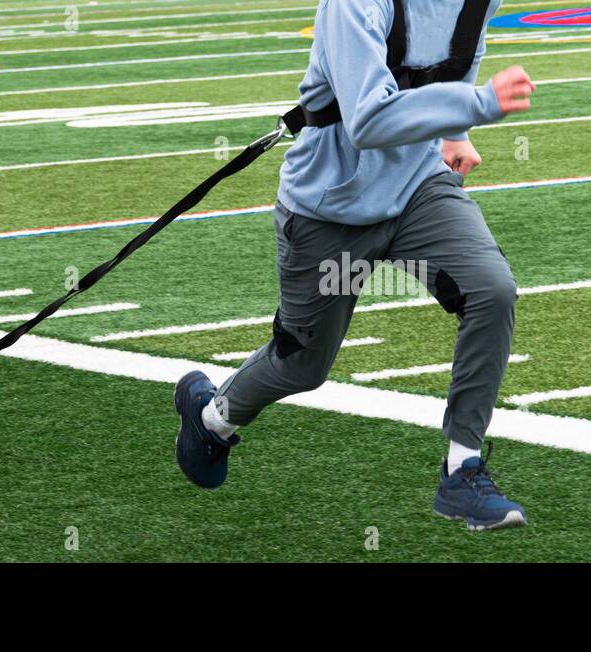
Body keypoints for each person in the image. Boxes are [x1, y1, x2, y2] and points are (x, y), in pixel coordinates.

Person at [174, 0, 535, 531]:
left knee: (491, 290)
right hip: (329, 207)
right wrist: (477, 104)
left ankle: (462, 469)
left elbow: (462, 58)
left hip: (418, 189)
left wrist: (455, 133)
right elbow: (367, 119)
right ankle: (211, 419)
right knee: (303, 365)